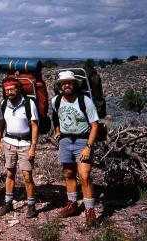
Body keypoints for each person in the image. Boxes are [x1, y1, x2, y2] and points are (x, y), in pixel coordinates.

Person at [51, 70, 99, 225]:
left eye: (69, 82)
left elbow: (95, 125)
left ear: (74, 84)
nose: (66, 85)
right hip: (65, 141)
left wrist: (88, 147)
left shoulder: (84, 101)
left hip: (82, 141)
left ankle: (90, 210)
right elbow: (54, 116)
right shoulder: (56, 101)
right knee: (68, 173)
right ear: (59, 85)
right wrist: (57, 130)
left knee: (84, 176)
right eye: (63, 83)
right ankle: (72, 204)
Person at [0, 79, 39, 218]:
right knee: (10, 173)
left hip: (25, 144)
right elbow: (0, 126)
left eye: (12, 89)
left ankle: (31, 205)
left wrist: (33, 147)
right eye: (7, 90)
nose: (9, 92)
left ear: (18, 89)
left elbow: (34, 126)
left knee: (27, 176)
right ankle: (8, 203)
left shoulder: (28, 103)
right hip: (9, 142)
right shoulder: (3, 104)